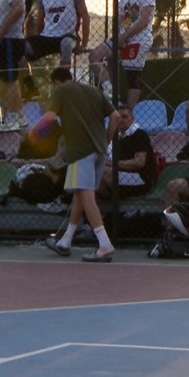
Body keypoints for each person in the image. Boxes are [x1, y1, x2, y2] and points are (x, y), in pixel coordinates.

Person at [43, 66, 115, 263]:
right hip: (98, 151)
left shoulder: (60, 92)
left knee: (86, 195)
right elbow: (115, 116)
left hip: (80, 151)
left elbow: (49, 119)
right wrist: (106, 141)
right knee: (80, 194)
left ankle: (104, 244)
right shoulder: (94, 90)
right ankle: (66, 240)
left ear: (57, 82)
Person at [91, 0, 156, 108]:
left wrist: (124, 36)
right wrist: (118, 37)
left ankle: (129, 113)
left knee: (132, 76)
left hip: (139, 39)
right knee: (95, 56)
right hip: (122, 38)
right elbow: (119, 22)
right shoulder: (123, 0)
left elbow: (143, 22)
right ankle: (110, 90)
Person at [25, 0, 91, 69]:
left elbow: (85, 17)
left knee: (66, 44)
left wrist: (84, 44)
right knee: (24, 47)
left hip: (68, 35)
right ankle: (29, 82)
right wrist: (39, 37)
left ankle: (64, 79)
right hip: (48, 35)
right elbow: (39, 20)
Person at [99, 103, 156, 196]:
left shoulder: (139, 135)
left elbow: (139, 163)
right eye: (118, 117)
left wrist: (111, 164)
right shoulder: (116, 137)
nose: (121, 120)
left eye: (124, 117)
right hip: (120, 175)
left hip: (139, 179)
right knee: (93, 181)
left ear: (132, 119)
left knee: (102, 171)